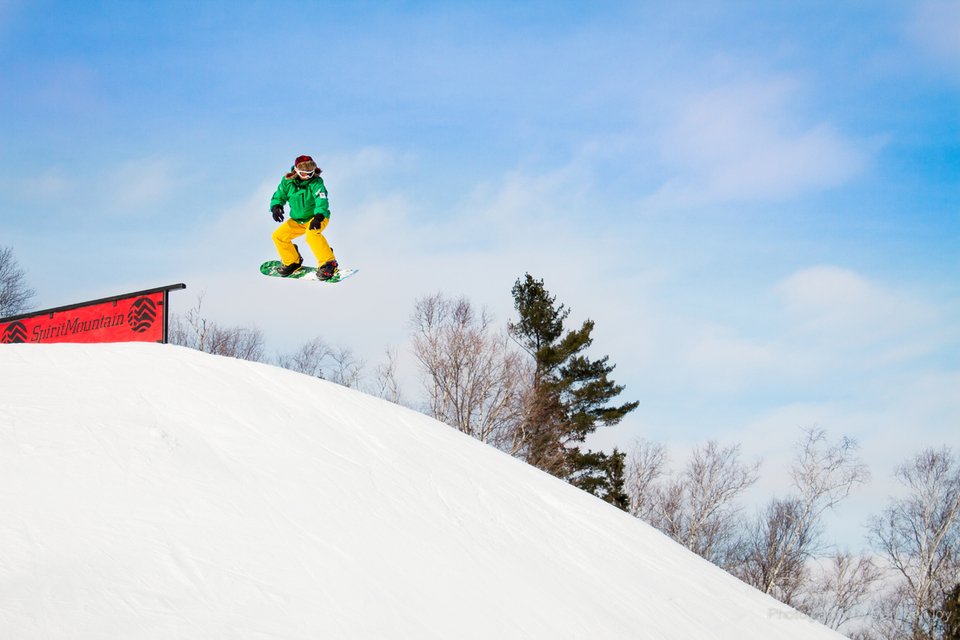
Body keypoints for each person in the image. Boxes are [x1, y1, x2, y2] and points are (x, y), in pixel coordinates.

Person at [269, 155, 338, 279]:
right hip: (297, 220)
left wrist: (318, 216)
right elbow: (279, 195)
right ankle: (292, 261)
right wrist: (276, 206)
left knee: (311, 235)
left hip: (316, 218)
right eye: (304, 173)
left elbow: (321, 199)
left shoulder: (316, 183)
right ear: (296, 170)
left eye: (310, 173)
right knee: (278, 236)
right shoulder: (287, 182)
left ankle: (328, 263)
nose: (307, 176)